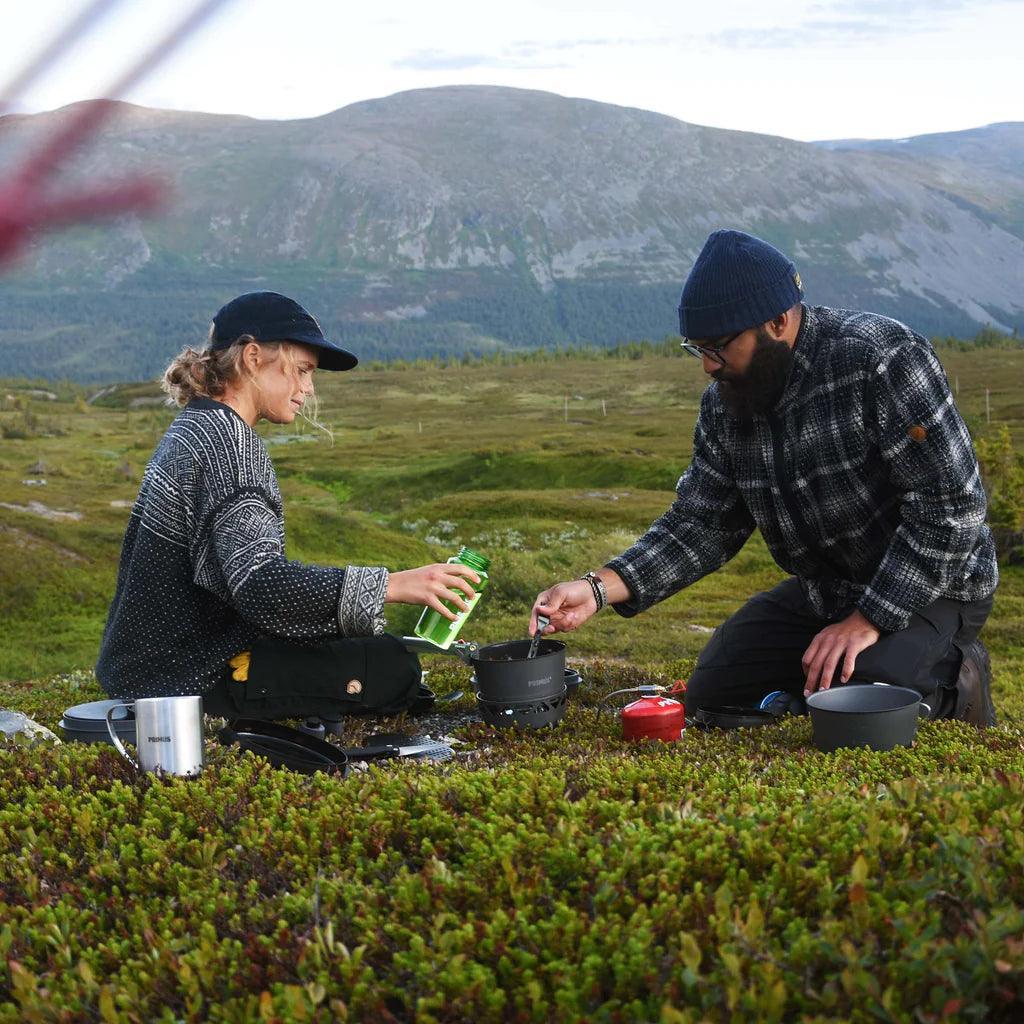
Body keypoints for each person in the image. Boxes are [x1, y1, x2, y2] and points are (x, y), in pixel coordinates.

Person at [531, 230, 998, 726]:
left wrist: (869, 619)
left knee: (858, 705)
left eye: (718, 347)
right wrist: (599, 588)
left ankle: (956, 677)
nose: (709, 366)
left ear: (777, 322)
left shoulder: (882, 360)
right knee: (711, 694)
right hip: (829, 590)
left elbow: (952, 508)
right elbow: (702, 523)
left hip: (938, 584)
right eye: (697, 349)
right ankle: (822, 687)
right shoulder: (727, 404)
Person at [96, 291, 481, 720]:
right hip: (184, 682)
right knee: (392, 667)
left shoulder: (196, 425)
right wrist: (391, 585)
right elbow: (260, 585)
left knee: (362, 648)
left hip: (144, 670)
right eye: (301, 370)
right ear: (253, 357)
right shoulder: (230, 448)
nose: (308, 389)